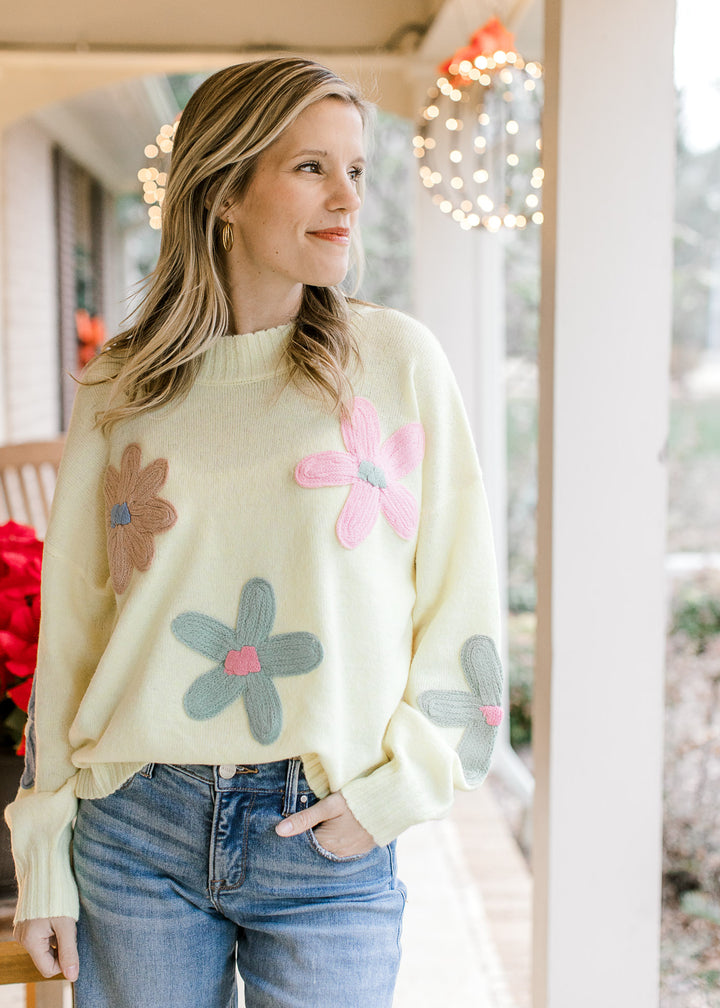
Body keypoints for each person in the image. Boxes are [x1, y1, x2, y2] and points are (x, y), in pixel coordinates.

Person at [5, 57, 504, 1008]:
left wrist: (392, 796)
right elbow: (71, 635)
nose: (347, 199)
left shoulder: (395, 362)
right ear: (225, 190)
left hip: (324, 828)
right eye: (312, 168)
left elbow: (461, 605)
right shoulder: (124, 384)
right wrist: (44, 852)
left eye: (356, 170)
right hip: (134, 826)